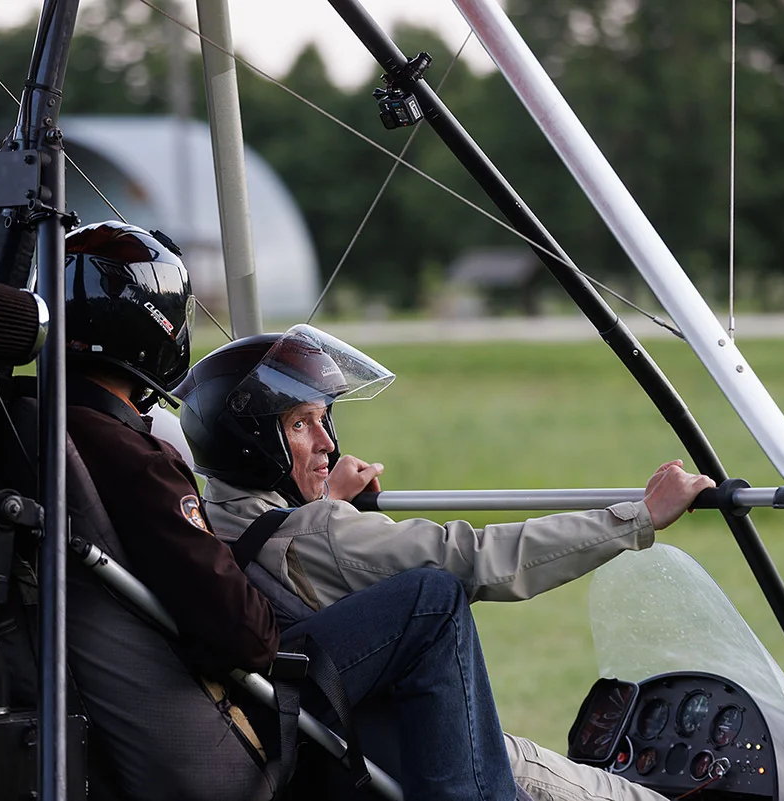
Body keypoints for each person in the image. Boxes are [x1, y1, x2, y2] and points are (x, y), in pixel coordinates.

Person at [60, 221, 526, 801]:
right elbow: (244, 632)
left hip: (141, 709)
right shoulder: (134, 456)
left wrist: (315, 511)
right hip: (235, 702)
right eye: (302, 422)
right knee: (431, 600)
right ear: (156, 326)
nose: (326, 440)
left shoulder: (49, 430)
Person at [175, 325, 717, 801]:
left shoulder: (213, 523)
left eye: (324, 420)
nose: (327, 444)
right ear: (250, 442)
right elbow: (477, 557)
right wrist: (638, 516)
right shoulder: (323, 533)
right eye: (300, 425)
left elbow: (297, 547)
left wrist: (325, 501)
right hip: (447, 754)